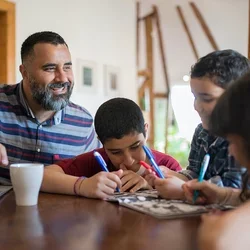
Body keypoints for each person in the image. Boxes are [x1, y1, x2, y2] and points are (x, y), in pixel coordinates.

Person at [147, 49, 250, 200]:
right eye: (195, 97)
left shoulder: (242, 139)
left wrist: (183, 191)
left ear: (235, 97)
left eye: (207, 99)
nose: (197, 106)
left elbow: (235, 189)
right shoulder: (201, 132)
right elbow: (195, 172)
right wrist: (172, 175)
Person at [41, 97, 181, 199]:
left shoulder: (168, 165)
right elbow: (42, 177)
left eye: (135, 146)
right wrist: (83, 185)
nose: (128, 160)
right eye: (115, 152)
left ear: (146, 131)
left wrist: (150, 190)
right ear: (101, 143)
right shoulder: (96, 159)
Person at [0, 31, 100, 166]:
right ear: (25, 73)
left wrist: (136, 174)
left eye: (67, 67)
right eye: (50, 68)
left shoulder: (83, 122)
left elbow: (102, 168)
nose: (63, 78)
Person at [182, 70, 250, 250]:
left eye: (234, 141)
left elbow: (219, 240)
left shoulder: (223, 237)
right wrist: (222, 195)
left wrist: (219, 232)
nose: (231, 150)